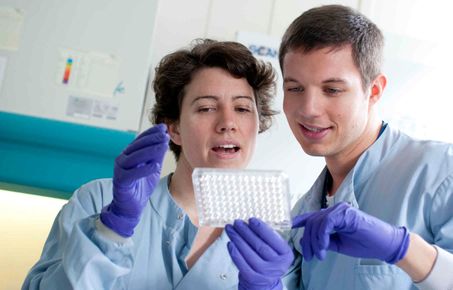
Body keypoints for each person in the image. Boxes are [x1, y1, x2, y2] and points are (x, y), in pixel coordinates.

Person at [22, 39, 295, 290]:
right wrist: (111, 231)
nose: (227, 123)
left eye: (243, 108)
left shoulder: (277, 242)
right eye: (206, 108)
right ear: (173, 128)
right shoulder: (97, 201)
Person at [277, 4, 453, 290]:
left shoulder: (441, 172)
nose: (308, 109)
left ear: (374, 91)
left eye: (332, 90)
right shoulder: (304, 210)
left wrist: (404, 249)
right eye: (295, 88)